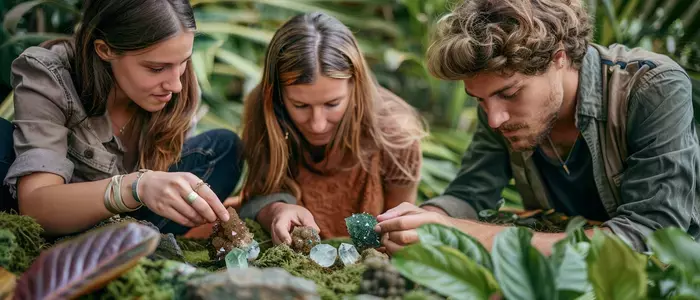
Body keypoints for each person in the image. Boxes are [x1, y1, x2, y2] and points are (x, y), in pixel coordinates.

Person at [376, 0, 700, 255]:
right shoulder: (499, 108)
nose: (494, 119)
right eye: (480, 100)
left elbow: (652, 237)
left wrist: (459, 232)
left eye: (510, 94)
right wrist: (418, 221)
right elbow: (470, 194)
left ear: (558, 59)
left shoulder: (651, 86)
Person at [0, 0, 243, 236]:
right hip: (61, 210)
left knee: (223, 149)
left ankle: (136, 236)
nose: (176, 84)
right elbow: (35, 207)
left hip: (137, 216)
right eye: (156, 69)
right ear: (105, 50)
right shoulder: (51, 75)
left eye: (183, 62)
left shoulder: (180, 84)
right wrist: (136, 186)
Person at [237, 12, 426, 245]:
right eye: (300, 105)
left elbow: (400, 226)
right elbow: (255, 197)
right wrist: (276, 210)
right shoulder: (263, 111)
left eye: (332, 104)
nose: (317, 124)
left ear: (355, 85)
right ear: (277, 95)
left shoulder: (395, 133)